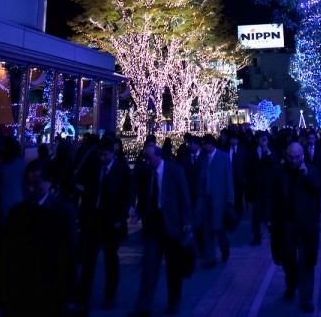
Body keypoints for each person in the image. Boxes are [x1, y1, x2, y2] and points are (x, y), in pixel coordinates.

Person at [0, 157, 78, 317]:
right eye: (28, 184)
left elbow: (69, 255)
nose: (31, 189)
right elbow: (6, 253)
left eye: (36, 184)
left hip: (49, 286)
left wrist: (70, 295)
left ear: (48, 182)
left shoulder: (63, 212)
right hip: (19, 286)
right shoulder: (17, 212)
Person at [131, 142, 192, 317]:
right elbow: (144, 197)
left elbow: (184, 196)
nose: (147, 161)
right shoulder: (146, 173)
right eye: (145, 158)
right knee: (149, 267)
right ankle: (143, 307)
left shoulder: (174, 171)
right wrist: (137, 212)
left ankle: (174, 303)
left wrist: (187, 221)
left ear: (158, 157)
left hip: (173, 226)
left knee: (174, 269)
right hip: (153, 226)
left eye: (149, 158)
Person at [77, 135, 132, 312]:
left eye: (105, 155)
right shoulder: (94, 168)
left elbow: (127, 196)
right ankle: (83, 298)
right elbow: (83, 188)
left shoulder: (121, 169)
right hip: (92, 219)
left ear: (112, 154)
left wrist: (121, 218)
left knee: (110, 258)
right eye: (100, 154)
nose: (102, 158)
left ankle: (111, 293)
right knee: (89, 260)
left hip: (111, 221)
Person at [270, 142, 321, 314]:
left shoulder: (310, 170)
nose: (294, 160)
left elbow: (319, 187)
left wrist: (307, 175)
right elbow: (272, 196)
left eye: (297, 157)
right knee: (287, 258)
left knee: (306, 261)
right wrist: (270, 218)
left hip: (306, 224)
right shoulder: (280, 173)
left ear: (302, 155)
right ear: (287, 156)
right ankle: (291, 283)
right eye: (291, 157)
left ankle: (306, 296)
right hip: (286, 223)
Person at [199, 133, 234, 268]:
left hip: (219, 199)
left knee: (219, 228)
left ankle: (224, 248)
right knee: (207, 230)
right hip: (205, 199)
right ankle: (210, 258)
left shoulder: (223, 157)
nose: (203, 147)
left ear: (211, 144)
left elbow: (229, 178)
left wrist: (230, 198)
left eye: (205, 144)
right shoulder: (203, 158)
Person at [246, 130, 277, 245]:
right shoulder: (252, 152)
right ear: (258, 140)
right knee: (256, 214)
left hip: (268, 188)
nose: (264, 141)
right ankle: (257, 237)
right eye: (262, 139)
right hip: (256, 188)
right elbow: (248, 169)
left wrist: (267, 151)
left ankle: (272, 232)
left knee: (269, 212)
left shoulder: (271, 151)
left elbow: (274, 166)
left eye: (266, 139)